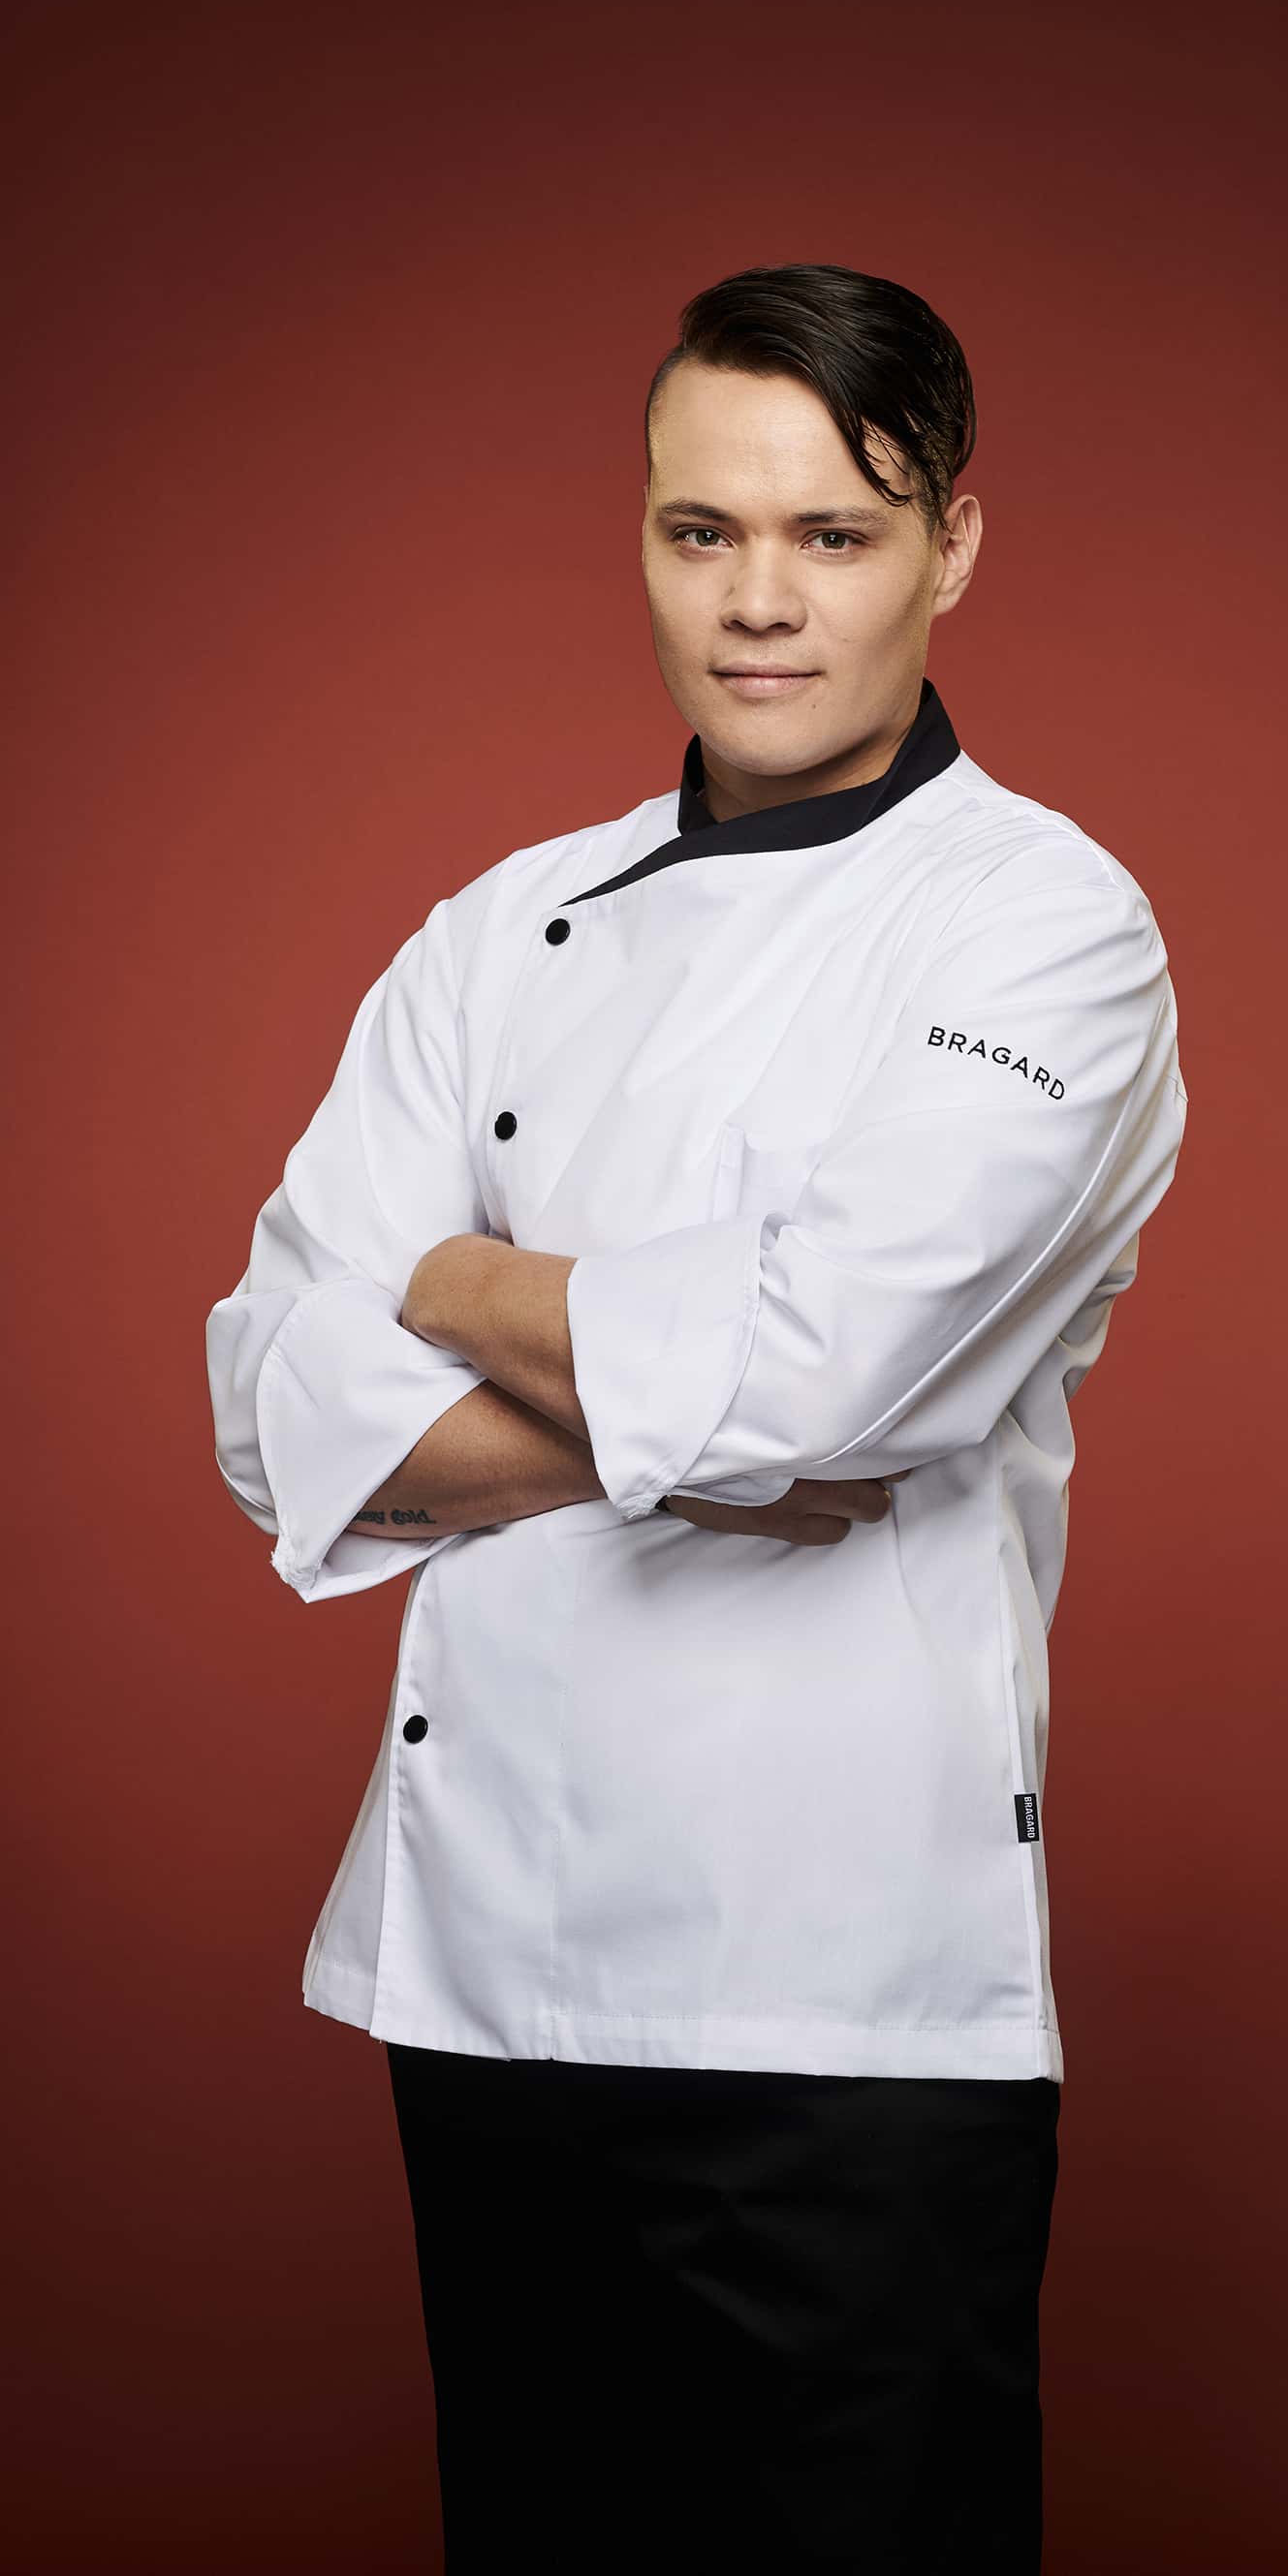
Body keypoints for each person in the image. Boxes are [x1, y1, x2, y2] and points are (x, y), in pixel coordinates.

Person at [205, 260, 1189, 2570]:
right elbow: (268, 1392)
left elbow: (827, 1373)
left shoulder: (1045, 925)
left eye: (834, 534)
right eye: (700, 531)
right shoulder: (496, 929)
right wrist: (676, 1393)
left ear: (951, 545)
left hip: (844, 2005)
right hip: (480, 1983)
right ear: (643, 541)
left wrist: (454, 1290)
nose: (760, 601)